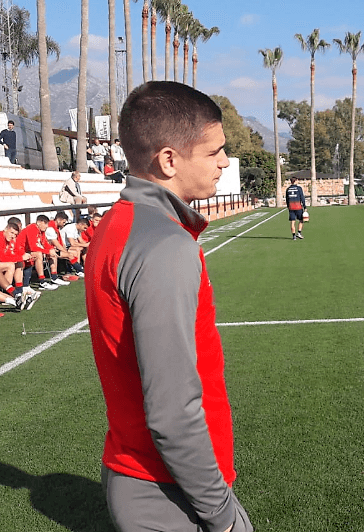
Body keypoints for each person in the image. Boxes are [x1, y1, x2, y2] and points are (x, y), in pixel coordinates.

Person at [85, 81, 252, 532]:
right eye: (215, 151)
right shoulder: (163, 244)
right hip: (168, 491)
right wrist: (222, 514)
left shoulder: (116, 225)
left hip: (140, 472)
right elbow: (173, 411)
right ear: (169, 159)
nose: (224, 162)